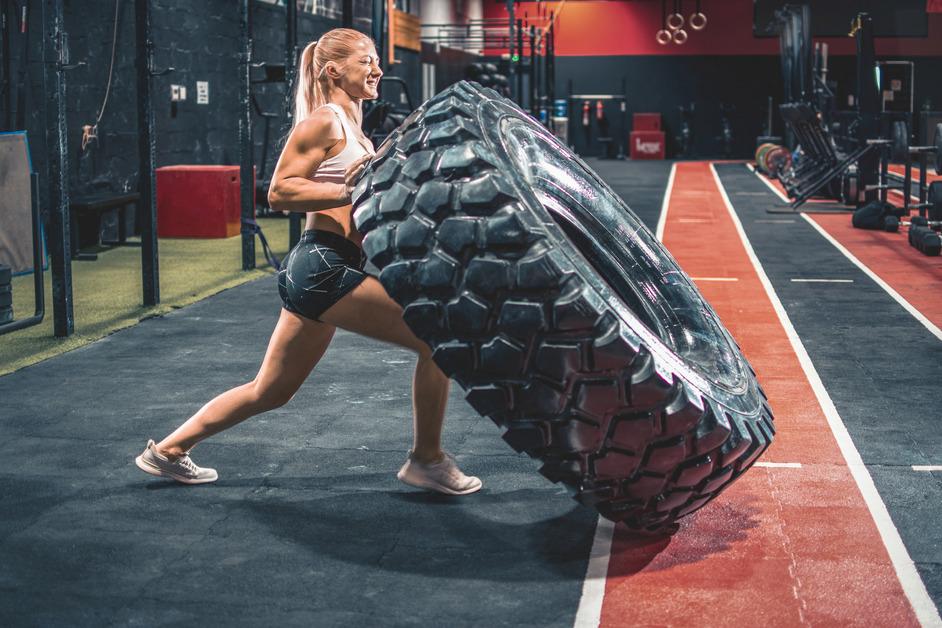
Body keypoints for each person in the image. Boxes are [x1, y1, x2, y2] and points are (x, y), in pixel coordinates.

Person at [135, 28, 481, 496]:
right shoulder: (325, 121)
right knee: (434, 338)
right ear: (334, 69)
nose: (378, 69)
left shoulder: (354, 125)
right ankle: (427, 460)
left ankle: (168, 451)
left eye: (377, 60)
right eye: (367, 61)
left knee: (270, 391)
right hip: (323, 265)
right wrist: (353, 189)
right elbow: (279, 191)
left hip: (323, 268)